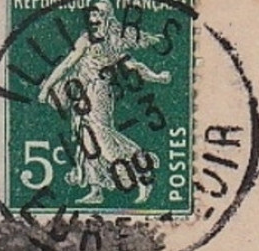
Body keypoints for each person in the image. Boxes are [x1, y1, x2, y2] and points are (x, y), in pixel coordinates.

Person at [36, 1, 173, 206]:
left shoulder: (114, 41)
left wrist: (157, 77)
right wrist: (48, 86)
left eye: (98, 15)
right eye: (91, 15)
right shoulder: (86, 40)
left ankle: (144, 175)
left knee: (104, 143)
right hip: (81, 94)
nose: (93, 19)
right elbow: (67, 64)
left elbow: (133, 66)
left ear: (107, 17)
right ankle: (95, 190)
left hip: (98, 94)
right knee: (86, 142)